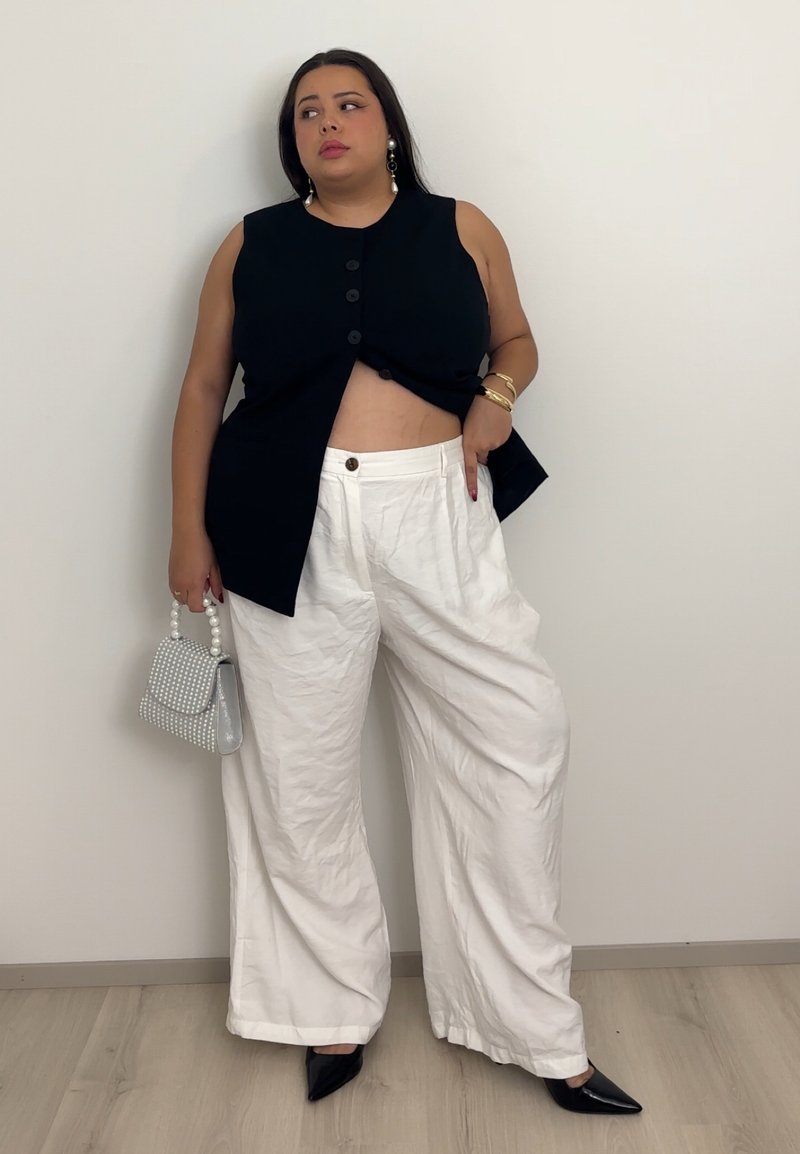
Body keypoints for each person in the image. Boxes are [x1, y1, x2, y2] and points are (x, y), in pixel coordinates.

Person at [167, 47, 643, 1114]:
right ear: (291, 140)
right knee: (299, 778)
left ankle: (532, 1027)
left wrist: (497, 398)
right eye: (307, 111)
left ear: (388, 124)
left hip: (438, 509)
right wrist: (185, 530)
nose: (327, 121)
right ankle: (329, 1008)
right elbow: (202, 387)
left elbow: (515, 338)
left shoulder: (462, 226)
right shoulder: (248, 243)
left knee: (514, 743)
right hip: (280, 523)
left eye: (349, 103)